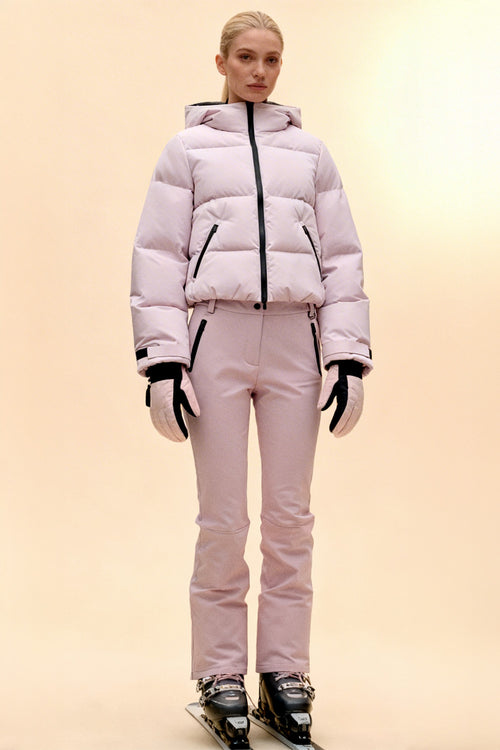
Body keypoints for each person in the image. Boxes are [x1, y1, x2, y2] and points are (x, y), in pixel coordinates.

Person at [130, 10, 372, 747]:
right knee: (224, 519)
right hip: (217, 340)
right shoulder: (187, 150)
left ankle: (284, 672)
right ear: (222, 63)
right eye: (245, 57)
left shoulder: (311, 153)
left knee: (291, 519)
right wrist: (164, 358)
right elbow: (159, 254)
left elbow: (342, 257)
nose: (259, 71)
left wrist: (347, 354)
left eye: (270, 59)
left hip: (296, 344)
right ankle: (220, 674)